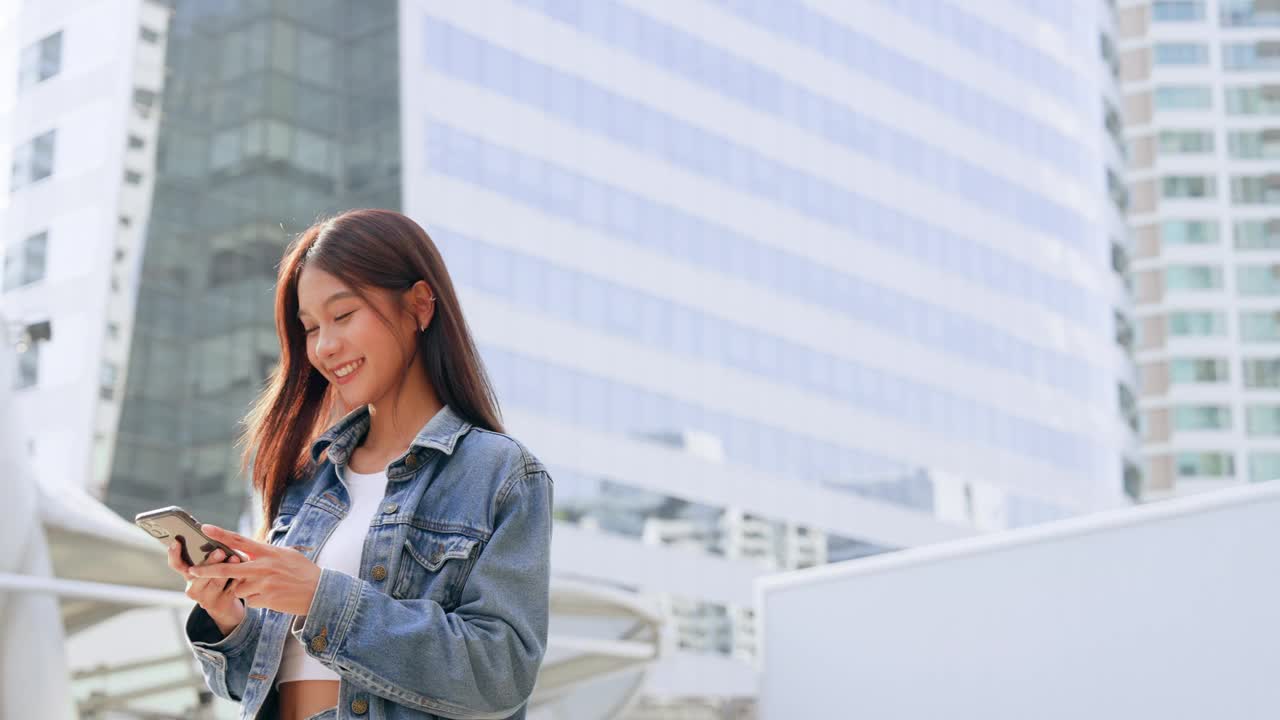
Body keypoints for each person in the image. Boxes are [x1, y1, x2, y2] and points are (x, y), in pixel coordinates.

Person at [166, 209, 553, 720]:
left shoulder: (499, 475)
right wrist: (228, 616)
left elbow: (500, 673)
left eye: (343, 316)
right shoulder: (310, 479)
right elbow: (255, 684)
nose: (325, 347)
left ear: (419, 305)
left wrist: (321, 597)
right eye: (310, 328)